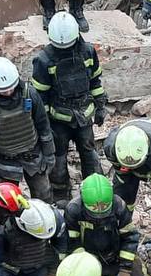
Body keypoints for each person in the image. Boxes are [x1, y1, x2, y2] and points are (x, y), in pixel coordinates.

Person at [32, 12, 105, 202]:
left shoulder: (88, 52)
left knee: (89, 154)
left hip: (84, 116)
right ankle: (61, 195)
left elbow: (95, 81)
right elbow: (40, 97)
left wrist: (100, 106)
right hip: (58, 121)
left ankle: (95, 190)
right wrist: (44, 125)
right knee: (58, 159)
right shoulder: (44, 60)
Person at [0, 56, 55, 202]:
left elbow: (43, 127)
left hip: (33, 156)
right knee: (7, 202)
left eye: (11, 87)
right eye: (3, 90)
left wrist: (49, 154)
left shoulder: (30, 94)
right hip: (3, 162)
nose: (9, 92)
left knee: (44, 195)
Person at [104, 118, 151, 243]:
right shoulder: (110, 147)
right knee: (122, 195)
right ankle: (119, 231)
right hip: (128, 164)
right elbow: (121, 172)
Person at [64, 174, 140, 276]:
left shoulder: (118, 205)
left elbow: (130, 237)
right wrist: (86, 262)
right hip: (89, 258)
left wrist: (125, 269)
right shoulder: (74, 209)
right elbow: (72, 242)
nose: (99, 217)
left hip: (115, 256)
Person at [0, 199, 66, 276]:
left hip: (39, 265)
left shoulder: (55, 220)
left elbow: (61, 245)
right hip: (10, 269)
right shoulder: (5, 228)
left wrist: (57, 268)